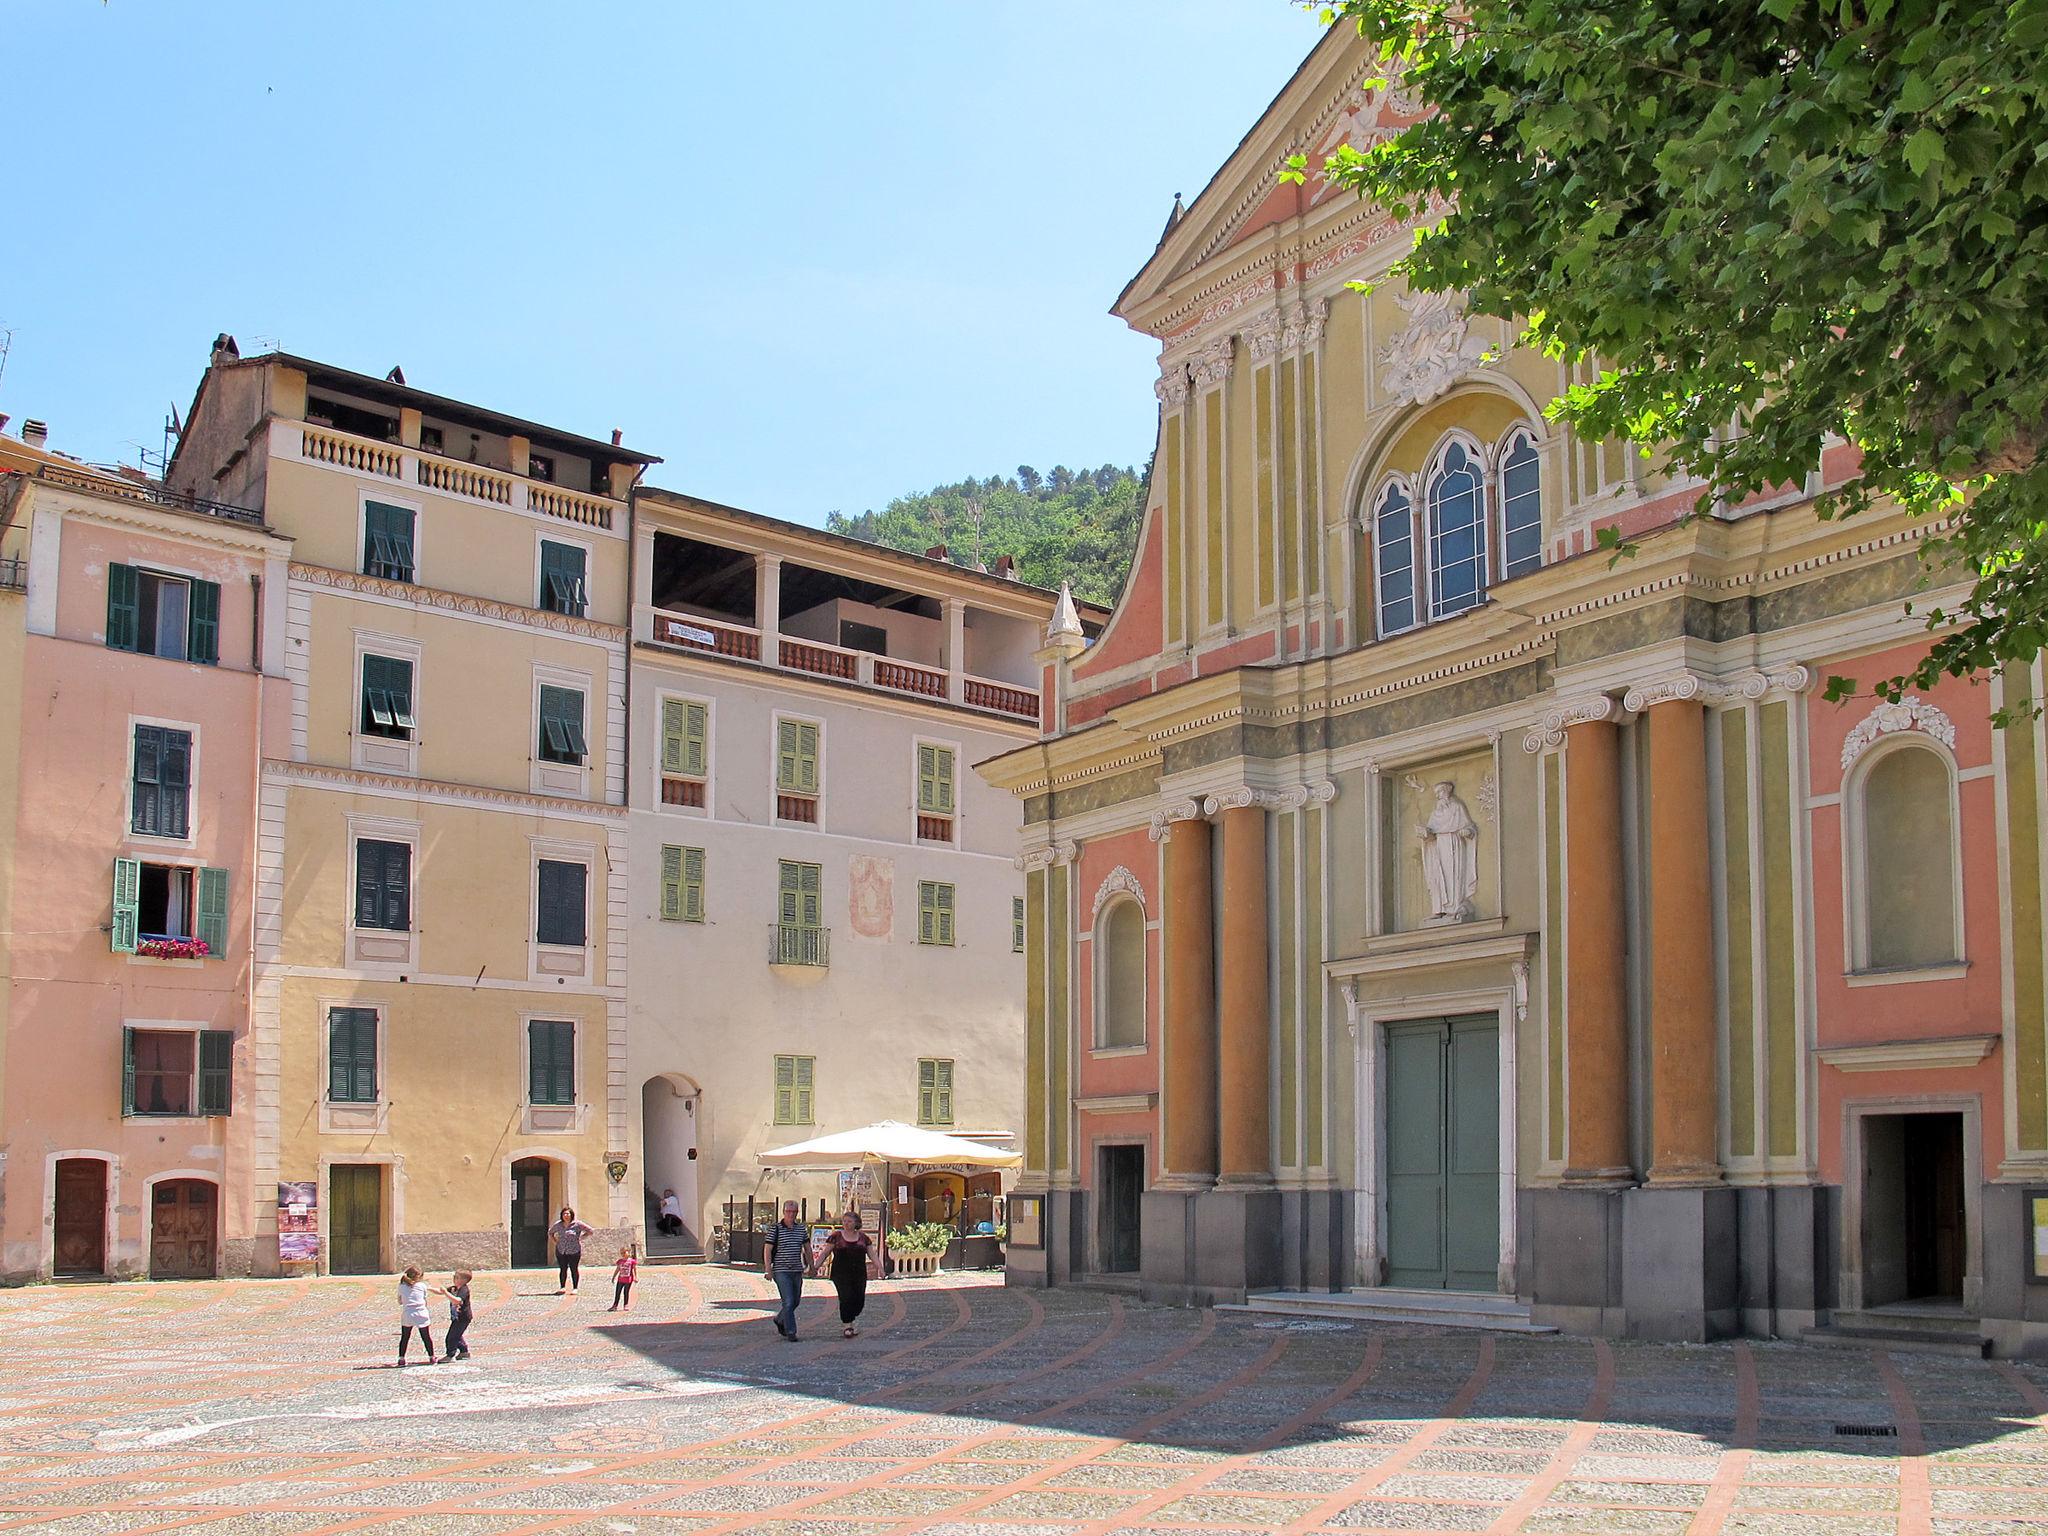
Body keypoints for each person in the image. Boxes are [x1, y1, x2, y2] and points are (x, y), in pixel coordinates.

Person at [816, 1209, 875, 1338]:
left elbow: (872, 1255)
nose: (846, 1223)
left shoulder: (863, 1238)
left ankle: (852, 1318)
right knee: (846, 1297)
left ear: (856, 1223)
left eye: (849, 1221)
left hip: (859, 1273)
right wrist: (816, 1266)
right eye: (844, 1221)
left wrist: (880, 1268)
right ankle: (847, 1325)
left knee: (859, 1299)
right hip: (841, 1273)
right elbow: (825, 1253)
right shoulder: (836, 1236)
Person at [762, 1199, 808, 1341]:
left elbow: (807, 1248)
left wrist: (812, 1266)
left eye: (794, 1212)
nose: (791, 1215)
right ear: (783, 1212)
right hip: (781, 1270)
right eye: (788, 1212)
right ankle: (791, 1331)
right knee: (788, 1301)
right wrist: (768, 1269)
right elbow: (768, 1249)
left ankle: (780, 1319)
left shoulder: (801, 1229)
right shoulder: (775, 1228)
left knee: (796, 1301)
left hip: (796, 1270)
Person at [396, 1267, 438, 1365]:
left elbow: (400, 1301)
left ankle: (401, 1358)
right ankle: (431, 1357)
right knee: (426, 1336)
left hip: (408, 1313)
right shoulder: (422, 1285)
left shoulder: (401, 1286)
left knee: (405, 1337)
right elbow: (424, 1299)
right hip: (421, 1312)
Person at [549, 1207, 595, 1295]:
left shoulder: (577, 1224)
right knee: (563, 1269)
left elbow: (590, 1231)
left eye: (568, 1214)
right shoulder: (558, 1225)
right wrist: (555, 1241)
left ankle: (575, 1288)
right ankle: (562, 1287)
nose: (566, 1216)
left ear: (571, 1215)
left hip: (574, 1250)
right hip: (561, 1250)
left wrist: (581, 1238)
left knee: (574, 1269)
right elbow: (550, 1232)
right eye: (564, 1214)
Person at [443, 1269, 474, 1360]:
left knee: (451, 1337)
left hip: (463, 1318)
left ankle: (450, 1355)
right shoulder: (455, 1288)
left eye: (456, 1277)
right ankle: (464, 1352)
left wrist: (446, 1293)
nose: (454, 1279)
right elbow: (442, 1291)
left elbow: (458, 1300)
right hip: (456, 1317)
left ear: (463, 1280)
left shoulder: (464, 1289)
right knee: (457, 1335)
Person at [609, 1245, 638, 1311]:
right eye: (622, 1253)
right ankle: (615, 1305)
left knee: (626, 1292)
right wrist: (614, 1277)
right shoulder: (620, 1261)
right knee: (617, 1292)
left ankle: (626, 1304)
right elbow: (617, 1269)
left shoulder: (632, 1261)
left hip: (628, 1280)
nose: (623, 1254)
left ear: (628, 1252)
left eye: (624, 1252)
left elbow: (634, 1269)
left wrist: (635, 1277)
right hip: (620, 1279)